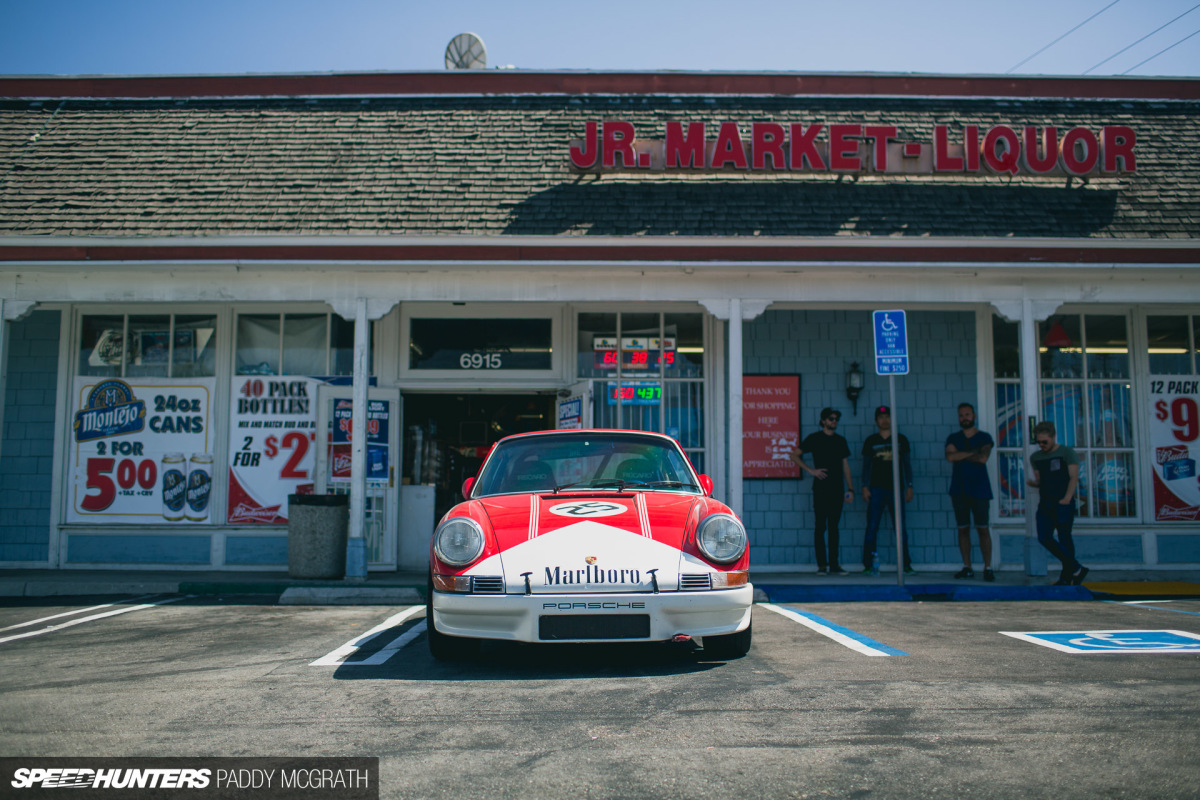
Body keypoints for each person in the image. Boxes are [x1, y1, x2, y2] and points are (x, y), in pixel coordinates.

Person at [790, 407, 855, 575]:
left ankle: (834, 565)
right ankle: (822, 566)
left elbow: (845, 465)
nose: (834, 421)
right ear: (824, 421)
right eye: (831, 418)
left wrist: (850, 488)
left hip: (837, 489)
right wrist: (811, 470)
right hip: (820, 489)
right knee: (820, 527)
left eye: (836, 419)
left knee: (834, 527)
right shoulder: (815, 438)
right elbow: (794, 455)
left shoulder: (840, 441)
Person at [1025, 421, 1089, 586]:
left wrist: (1068, 497)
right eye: (1038, 442)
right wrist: (1033, 483)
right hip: (1046, 502)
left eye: (1044, 441)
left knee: (1064, 538)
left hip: (1063, 501)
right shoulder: (1036, 457)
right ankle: (1076, 568)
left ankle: (1066, 576)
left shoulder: (1066, 453)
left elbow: (1073, 476)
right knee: (1044, 537)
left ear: (1053, 437)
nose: (1041, 445)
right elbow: (1041, 481)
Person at [861, 405, 914, 574]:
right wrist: (864, 486)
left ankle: (905, 564)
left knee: (900, 528)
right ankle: (869, 565)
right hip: (876, 489)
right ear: (876, 421)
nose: (885, 420)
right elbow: (866, 466)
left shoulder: (901, 440)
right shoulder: (871, 441)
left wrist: (910, 486)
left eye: (888, 417)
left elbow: (907, 465)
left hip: (897, 490)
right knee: (872, 527)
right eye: (881, 417)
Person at [945, 402, 995, 581]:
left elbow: (983, 458)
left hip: (980, 489)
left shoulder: (984, 437)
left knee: (982, 529)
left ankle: (988, 567)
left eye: (967, 415)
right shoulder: (953, 437)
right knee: (963, 529)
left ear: (974, 416)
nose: (964, 418)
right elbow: (950, 456)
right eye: (961, 415)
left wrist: (962, 454)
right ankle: (967, 566)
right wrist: (971, 453)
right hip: (959, 490)